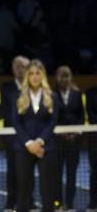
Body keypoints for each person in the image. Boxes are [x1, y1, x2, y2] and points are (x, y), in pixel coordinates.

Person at [12, 59, 60, 212]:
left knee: (48, 190)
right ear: (27, 76)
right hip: (23, 148)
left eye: (38, 73)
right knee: (24, 190)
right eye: (31, 73)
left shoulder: (52, 97)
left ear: (43, 75)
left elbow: (52, 122)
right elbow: (16, 123)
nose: (34, 77)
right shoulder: (18, 96)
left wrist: (39, 142)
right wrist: (29, 144)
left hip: (46, 149)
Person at [0, 55, 30, 210]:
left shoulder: (34, 86)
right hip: (12, 138)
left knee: (28, 173)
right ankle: (11, 203)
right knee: (12, 172)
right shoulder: (6, 88)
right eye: (17, 66)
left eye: (23, 66)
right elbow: (7, 113)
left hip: (31, 138)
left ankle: (27, 202)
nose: (20, 69)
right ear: (12, 69)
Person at [54, 65, 84, 210]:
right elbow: (52, 118)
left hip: (74, 142)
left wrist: (74, 133)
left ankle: (70, 204)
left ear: (70, 77)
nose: (64, 79)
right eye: (61, 76)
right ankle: (59, 204)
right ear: (57, 78)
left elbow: (81, 116)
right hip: (57, 142)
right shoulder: (52, 94)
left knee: (71, 175)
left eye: (67, 76)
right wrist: (61, 132)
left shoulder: (77, 94)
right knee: (57, 176)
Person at [87, 84, 97, 211]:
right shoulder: (91, 93)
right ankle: (93, 203)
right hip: (95, 140)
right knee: (94, 172)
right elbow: (91, 115)